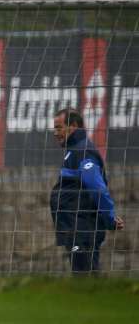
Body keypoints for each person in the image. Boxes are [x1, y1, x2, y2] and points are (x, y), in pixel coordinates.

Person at [51, 108, 124, 273]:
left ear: (74, 126)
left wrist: (110, 218)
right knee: (85, 276)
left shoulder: (82, 151)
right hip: (76, 229)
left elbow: (97, 188)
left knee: (84, 276)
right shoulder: (73, 151)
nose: (55, 133)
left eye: (59, 127)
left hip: (82, 230)